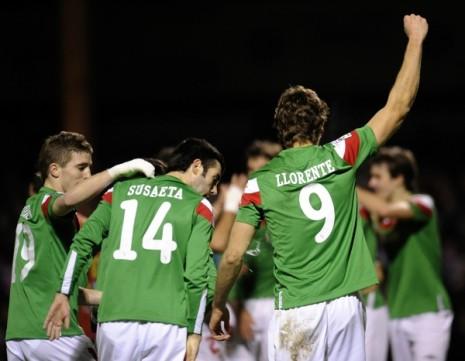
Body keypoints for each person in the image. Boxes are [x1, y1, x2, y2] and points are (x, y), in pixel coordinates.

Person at [210, 14, 429, 361]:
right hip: (345, 307)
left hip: (297, 311)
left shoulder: (261, 181)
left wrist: (219, 304)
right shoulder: (343, 154)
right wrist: (416, 40)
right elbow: (398, 107)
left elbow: (233, 255)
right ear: (320, 125)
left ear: (279, 127)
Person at [44, 138, 224, 361]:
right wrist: (195, 331)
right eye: (214, 179)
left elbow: (83, 242)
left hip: (115, 321)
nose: (214, 190)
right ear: (197, 166)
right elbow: (198, 276)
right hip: (167, 325)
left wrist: (64, 291)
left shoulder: (118, 191)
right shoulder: (198, 206)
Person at [5, 131, 155, 361]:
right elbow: (67, 200)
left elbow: (56, 288)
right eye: (81, 167)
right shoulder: (48, 204)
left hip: (19, 338)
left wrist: (119, 299)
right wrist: (119, 170)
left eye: (90, 168)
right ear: (55, 170)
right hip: (52, 332)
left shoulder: (32, 209)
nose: (88, 175)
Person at [357, 147, 453, 361]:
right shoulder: (378, 217)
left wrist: (348, 186)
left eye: (377, 177)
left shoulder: (423, 203)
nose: (371, 184)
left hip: (428, 312)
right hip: (397, 311)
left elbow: (385, 210)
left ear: (398, 178)